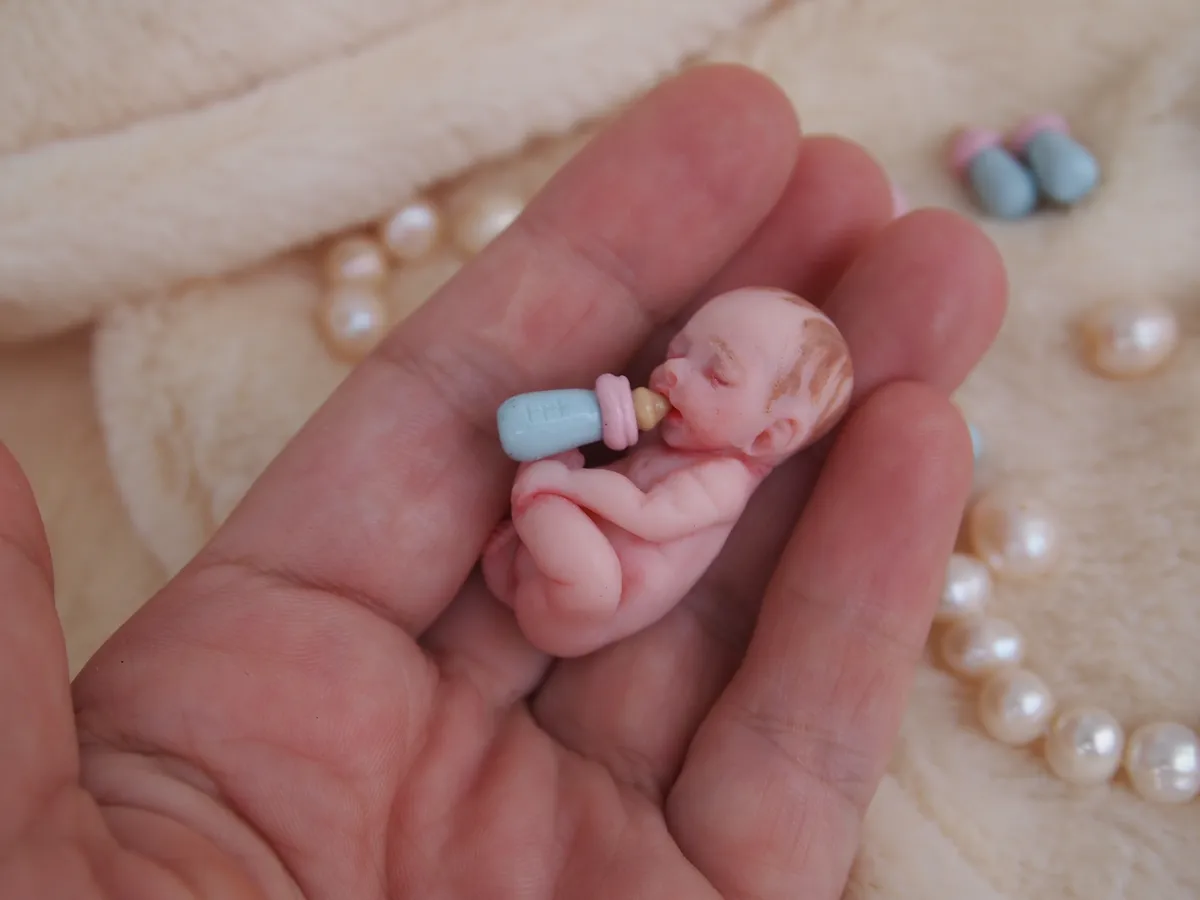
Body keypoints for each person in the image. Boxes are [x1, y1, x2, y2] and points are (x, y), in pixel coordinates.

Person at [1, 65, 1005, 900]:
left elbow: (648, 511)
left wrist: (566, 493)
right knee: (545, 528)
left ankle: (526, 540)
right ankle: (517, 550)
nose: (677, 371)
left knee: (575, 551)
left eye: (714, 373)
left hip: (601, 599)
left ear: (776, 432)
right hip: (554, 574)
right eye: (687, 349)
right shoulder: (689, 432)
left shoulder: (723, 486)